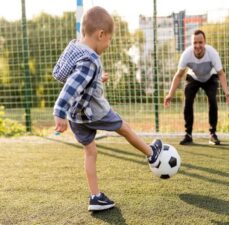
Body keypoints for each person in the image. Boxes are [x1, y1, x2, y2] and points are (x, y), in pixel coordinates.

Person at [52, 6, 163, 211]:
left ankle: (95, 197)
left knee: (90, 151)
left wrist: (96, 79)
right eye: (110, 39)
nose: (109, 44)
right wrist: (59, 111)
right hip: (94, 111)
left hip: (76, 117)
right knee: (124, 128)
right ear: (101, 34)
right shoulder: (90, 60)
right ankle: (152, 154)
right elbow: (71, 86)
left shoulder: (75, 48)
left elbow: (68, 75)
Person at [164, 29, 229, 145]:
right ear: (192, 44)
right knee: (188, 100)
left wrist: (227, 92)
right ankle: (188, 134)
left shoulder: (212, 53)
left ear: (205, 42)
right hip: (193, 77)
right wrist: (170, 94)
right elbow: (178, 75)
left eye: (200, 42)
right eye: (195, 43)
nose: (198, 45)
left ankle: (212, 134)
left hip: (210, 77)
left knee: (212, 99)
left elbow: (221, 73)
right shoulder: (186, 55)